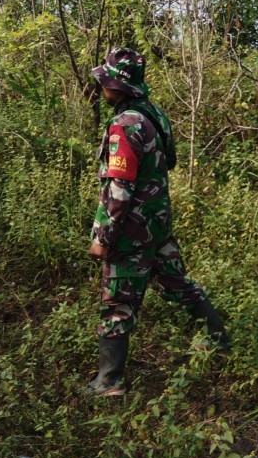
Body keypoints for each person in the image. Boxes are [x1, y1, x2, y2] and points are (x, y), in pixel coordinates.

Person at [87, 47, 230, 396]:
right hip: (157, 224)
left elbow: (119, 189)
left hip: (131, 232)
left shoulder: (124, 125)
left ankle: (109, 382)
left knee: (118, 303)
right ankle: (220, 341)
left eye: (105, 81)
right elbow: (168, 163)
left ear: (117, 86)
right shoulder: (153, 114)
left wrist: (103, 237)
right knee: (178, 283)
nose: (101, 87)